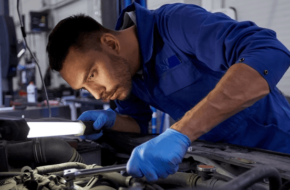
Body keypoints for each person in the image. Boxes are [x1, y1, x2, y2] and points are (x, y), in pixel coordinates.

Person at [46, 2, 290, 181]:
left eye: (92, 75)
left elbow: (269, 52)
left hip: (279, 149)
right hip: (221, 163)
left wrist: (181, 133)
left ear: (111, 44)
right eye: (85, 87)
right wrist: (110, 122)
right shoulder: (125, 77)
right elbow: (138, 125)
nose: (97, 94)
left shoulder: (175, 23)